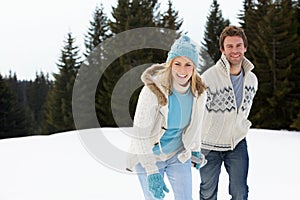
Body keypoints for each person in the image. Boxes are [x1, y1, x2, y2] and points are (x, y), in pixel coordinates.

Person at [126, 35, 207, 200]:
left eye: (188, 64)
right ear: (170, 64)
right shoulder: (152, 91)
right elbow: (140, 134)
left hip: (177, 154)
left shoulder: (198, 93)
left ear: (194, 67)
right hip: (149, 155)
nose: (182, 70)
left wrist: (196, 150)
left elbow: (196, 125)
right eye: (177, 63)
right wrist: (151, 171)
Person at [199, 25, 258, 200]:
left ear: (245, 47)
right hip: (209, 145)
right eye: (230, 46)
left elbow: (244, 111)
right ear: (222, 50)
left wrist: (242, 126)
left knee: (240, 192)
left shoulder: (252, 80)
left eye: (238, 45)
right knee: (208, 193)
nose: (235, 50)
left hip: (237, 144)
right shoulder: (208, 78)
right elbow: (196, 112)